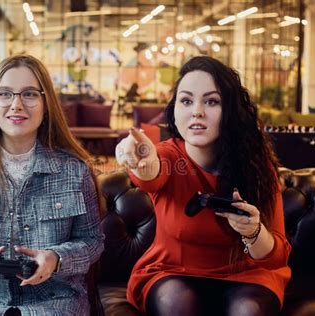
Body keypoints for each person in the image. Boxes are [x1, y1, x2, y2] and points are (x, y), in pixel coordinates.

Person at [116, 56, 291, 315]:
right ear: (175, 109)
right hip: (171, 273)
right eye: (186, 101)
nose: (197, 111)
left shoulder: (257, 166)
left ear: (230, 111)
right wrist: (140, 159)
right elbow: (150, 174)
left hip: (246, 276)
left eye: (211, 101)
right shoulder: (167, 156)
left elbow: (276, 255)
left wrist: (253, 231)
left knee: (248, 310)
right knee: (175, 302)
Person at [0, 55, 104, 316]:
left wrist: (56, 259)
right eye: (5, 94)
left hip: (57, 301)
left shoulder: (74, 169)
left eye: (30, 94)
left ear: (46, 104)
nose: (16, 104)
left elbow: (92, 242)